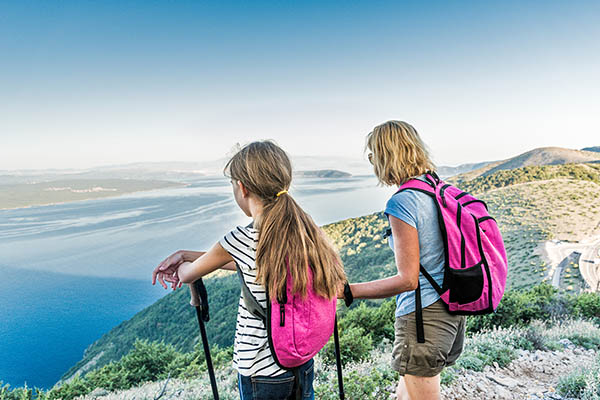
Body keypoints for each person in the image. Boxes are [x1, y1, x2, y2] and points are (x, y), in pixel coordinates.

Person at [152, 140, 347, 400]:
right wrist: (186, 255)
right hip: (300, 359)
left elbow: (188, 274)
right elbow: (253, 265)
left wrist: (182, 262)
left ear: (242, 188)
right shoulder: (302, 229)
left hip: (261, 371)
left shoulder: (241, 238)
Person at [344, 121, 466, 400]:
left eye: (373, 155)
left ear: (386, 155)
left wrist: (350, 290)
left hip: (423, 317)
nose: (372, 162)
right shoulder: (438, 189)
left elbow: (408, 279)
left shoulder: (402, 202)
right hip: (451, 308)